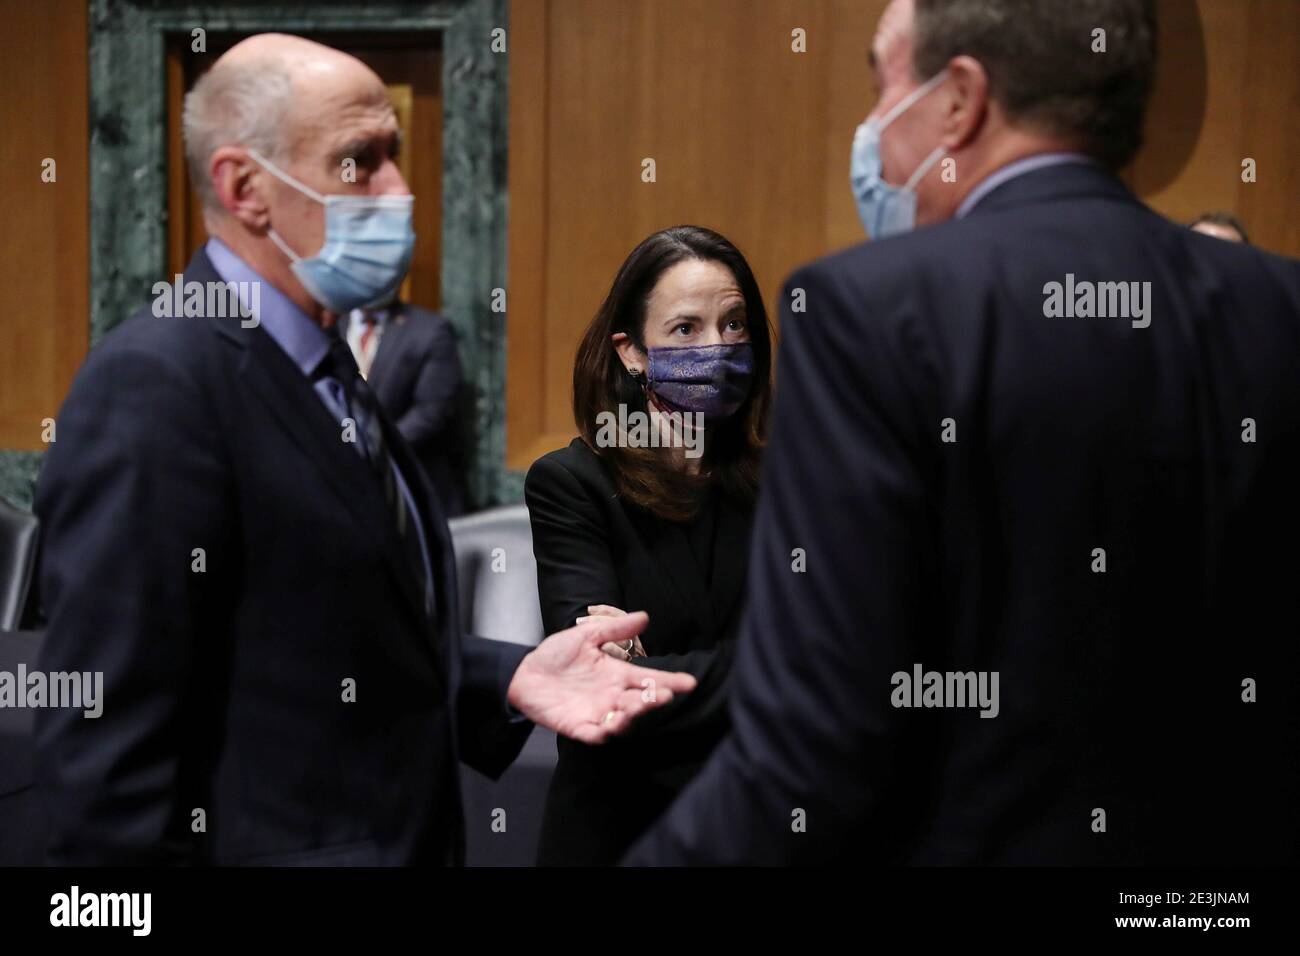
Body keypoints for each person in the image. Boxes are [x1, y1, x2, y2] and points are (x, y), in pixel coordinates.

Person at [627, 0, 1300, 865]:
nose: (872, 130)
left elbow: (812, 752)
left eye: (882, 83)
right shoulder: (1280, 308)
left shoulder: (868, 313)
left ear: (961, 102)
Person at [32, 33, 694, 866]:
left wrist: (509, 675)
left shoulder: (319, 357)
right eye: (360, 161)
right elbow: (104, 762)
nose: (400, 189)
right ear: (246, 188)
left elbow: (324, 642)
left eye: (395, 154)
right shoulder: (155, 383)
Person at [526, 225, 772, 864]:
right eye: (686, 329)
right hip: (622, 828)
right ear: (632, 352)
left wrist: (648, 663)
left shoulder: (789, 479)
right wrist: (765, 668)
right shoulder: (572, 483)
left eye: (736, 323)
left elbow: (823, 663)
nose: (719, 347)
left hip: (762, 822)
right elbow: (594, 687)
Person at [344, 303, 467, 516]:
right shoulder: (328, 320)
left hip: (407, 484)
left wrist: (371, 447)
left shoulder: (430, 330)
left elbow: (431, 412)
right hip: (341, 487)